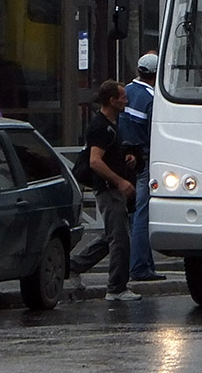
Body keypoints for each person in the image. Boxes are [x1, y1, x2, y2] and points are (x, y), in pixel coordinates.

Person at [68, 80, 141, 301]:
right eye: (123, 97)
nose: (126, 101)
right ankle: (116, 288)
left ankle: (72, 267)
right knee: (120, 239)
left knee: (111, 235)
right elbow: (95, 162)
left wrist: (126, 159)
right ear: (112, 100)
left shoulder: (111, 124)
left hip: (111, 188)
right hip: (108, 189)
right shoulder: (100, 127)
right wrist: (120, 181)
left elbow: (107, 156)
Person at [120, 53, 164, 282]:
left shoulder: (125, 91)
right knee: (142, 214)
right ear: (157, 74)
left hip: (124, 160)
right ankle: (139, 267)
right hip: (144, 159)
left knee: (132, 214)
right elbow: (154, 133)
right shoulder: (152, 98)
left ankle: (146, 264)